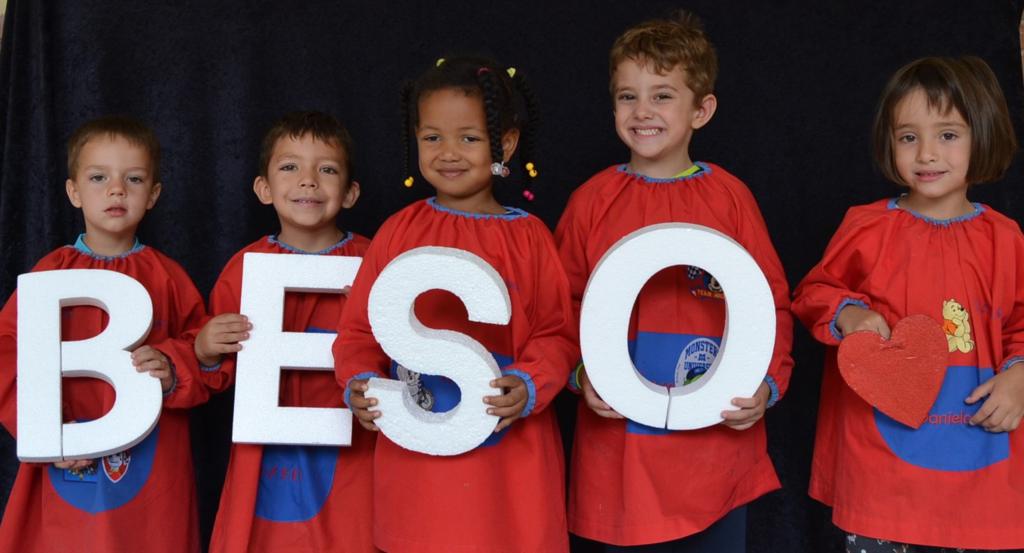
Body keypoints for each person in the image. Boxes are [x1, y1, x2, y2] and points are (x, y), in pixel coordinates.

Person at [555, 12, 794, 552]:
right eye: (627, 96)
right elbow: (560, 305)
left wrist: (767, 383)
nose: (642, 112)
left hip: (713, 455)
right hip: (618, 455)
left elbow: (770, 305)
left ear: (701, 110)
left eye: (662, 96)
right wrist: (579, 374)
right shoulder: (592, 201)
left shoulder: (730, 198)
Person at [334, 56, 575, 553]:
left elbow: (558, 334)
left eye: (469, 137)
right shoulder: (399, 231)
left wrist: (531, 383)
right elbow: (358, 332)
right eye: (432, 138)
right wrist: (357, 381)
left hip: (508, 458)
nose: (449, 152)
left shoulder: (531, 238)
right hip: (418, 451)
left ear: (504, 144)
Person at [792, 56, 1024, 552]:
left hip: (980, 474)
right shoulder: (865, 227)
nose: (926, 154)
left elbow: (1022, 325)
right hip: (882, 475)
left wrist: (1020, 373)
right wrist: (848, 315)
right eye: (908, 137)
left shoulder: (1006, 239)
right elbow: (813, 293)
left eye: (948, 134)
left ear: (982, 135)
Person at [0, 115, 210, 552]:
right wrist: (42, 427)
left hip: (150, 465)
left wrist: (173, 367)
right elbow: (7, 354)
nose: (117, 189)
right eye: (99, 177)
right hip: (68, 451)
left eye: (133, 178)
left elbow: (204, 353)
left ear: (152, 195)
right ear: (74, 191)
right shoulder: (50, 275)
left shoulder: (169, 278)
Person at [196, 111, 375, 553]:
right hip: (269, 453)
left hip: (351, 450)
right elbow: (217, 376)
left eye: (327, 169)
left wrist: (373, 324)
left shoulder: (373, 264)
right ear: (263, 188)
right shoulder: (243, 270)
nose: (308, 181)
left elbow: (403, 363)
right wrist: (205, 349)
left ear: (350, 193)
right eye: (290, 167)